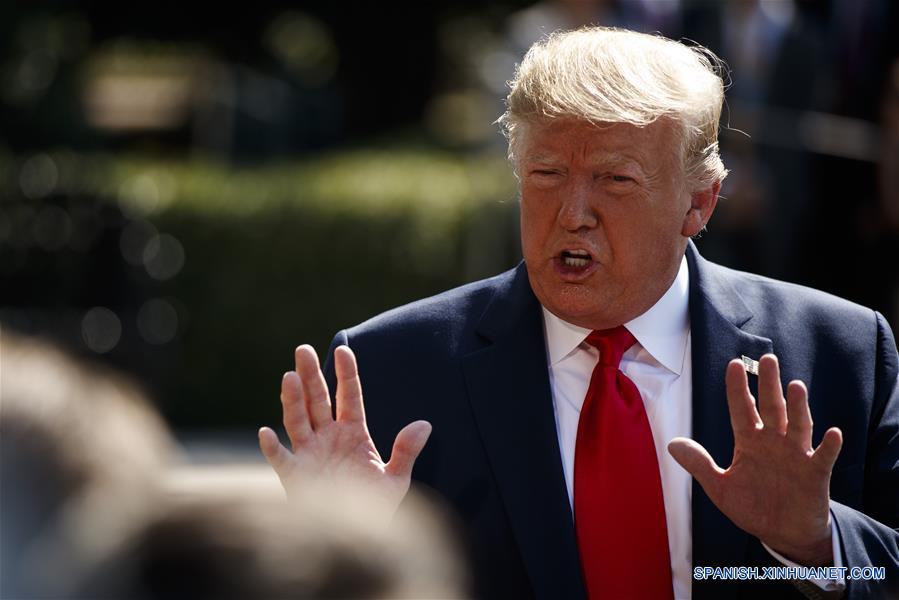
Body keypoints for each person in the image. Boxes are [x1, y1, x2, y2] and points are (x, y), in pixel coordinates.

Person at [260, 27, 899, 599]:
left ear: (698, 204)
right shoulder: (389, 369)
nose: (572, 213)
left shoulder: (840, 352)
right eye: (546, 174)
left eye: (615, 180)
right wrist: (339, 552)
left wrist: (820, 547)